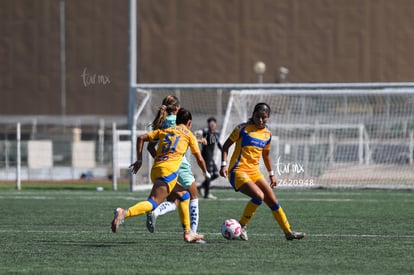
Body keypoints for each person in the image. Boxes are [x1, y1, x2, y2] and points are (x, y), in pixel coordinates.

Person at [111, 108, 210, 243]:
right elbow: (199, 159)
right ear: (189, 123)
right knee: (152, 203)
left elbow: (141, 138)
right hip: (168, 172)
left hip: (156, 168)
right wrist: (205, 172)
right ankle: (124, 213)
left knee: (184, 194)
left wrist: (139, 160)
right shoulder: (189, 134)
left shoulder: (167, 130)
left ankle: (188, 233)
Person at [219, 102, 306, 241]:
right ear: (253, 115)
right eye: (258, 116)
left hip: (254, 172)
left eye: (264, 118)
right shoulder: (242, 128)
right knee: (259, 196)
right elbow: (225, 146)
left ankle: (288, 233)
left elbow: (266, 155)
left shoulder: (267, 134)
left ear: (268, 118)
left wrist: (272, 175)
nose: (260, 120)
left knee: (273, 200)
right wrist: (223, 165)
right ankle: (242, 226)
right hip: (238, 170)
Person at [145, 95, 201, 234]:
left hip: (165, 164)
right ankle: (192, 233)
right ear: (177, 108)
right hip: (179, 163)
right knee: (194, 196)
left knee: (175, 199)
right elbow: (183, 138)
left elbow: (151, 147)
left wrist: (160, 159)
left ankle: (156, 212)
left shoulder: (161, 122)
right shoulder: (177, 122)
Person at [197, 117, 222, 199]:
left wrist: (223, 151)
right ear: (208, 125)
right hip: (205, 157)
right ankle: (207, 194)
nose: (212, 125)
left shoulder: (216, 134)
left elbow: (218, 143)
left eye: (213, 124)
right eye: (210, 124)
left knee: (216, 174)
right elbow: (201, 132)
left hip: (211, 157)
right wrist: (198, 132)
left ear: (215, 125)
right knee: (208, 175)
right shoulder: (206, 132)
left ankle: (201, 186)